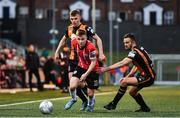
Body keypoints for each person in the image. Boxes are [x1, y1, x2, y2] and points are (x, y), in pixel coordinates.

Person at [54, 9, 105, 110]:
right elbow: (63, 41)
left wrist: (101, 53)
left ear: (79, 18)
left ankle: (89, 97)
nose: (74, 21)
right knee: (72, 83)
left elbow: (98, 39)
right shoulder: (69, 29)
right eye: (72, 19)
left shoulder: (86, 28)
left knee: (80, 83)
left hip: (87, 59)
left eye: (76, 18)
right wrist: (56, 52)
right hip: (74, 60)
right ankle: (83, 100)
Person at [99, 33, 156, 112]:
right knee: (132, 92)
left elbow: (122, 63)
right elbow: (136, 65)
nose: (125, 45)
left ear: (132, 42)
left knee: (124, 82)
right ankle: (145, 108)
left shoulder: (134, 52)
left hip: (148, 77)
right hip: (147, 75)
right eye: (124, 43)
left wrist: (105, 69)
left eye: (127, 42)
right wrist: (129, 75)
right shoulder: (139, 49)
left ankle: (113, 104)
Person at [64, 29, 99, 112]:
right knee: (72, 86)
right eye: (78, 39)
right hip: (80, 67)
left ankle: (90, 105)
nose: (80, 41)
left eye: (83, 39)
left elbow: (93, 62)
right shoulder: (74, 42)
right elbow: (71, 35)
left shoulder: (91, 47)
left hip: (92, 69)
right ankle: (73, 99)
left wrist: (86, 74)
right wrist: (72, 33)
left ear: (86, 38)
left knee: (90, 94)